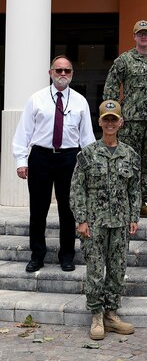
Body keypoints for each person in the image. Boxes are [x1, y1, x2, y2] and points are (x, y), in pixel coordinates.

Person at [13, 55, 96, 273]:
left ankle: (67, 255)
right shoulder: (36, 99)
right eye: (58, 70)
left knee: (68, 210)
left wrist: (89, 166)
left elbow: (86, 137)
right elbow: (24, 132)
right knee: (38, 209)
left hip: (69, 158)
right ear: (50, 73)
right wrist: (21, 160)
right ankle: (37, 255)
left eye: (67, 71)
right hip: (41, 157)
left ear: (71, 74)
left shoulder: (80, 101)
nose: (62, 74)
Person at [70, 100, 140, 340]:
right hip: (95, 223)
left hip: (120, 222)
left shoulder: (129, 154)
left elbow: (134, 189)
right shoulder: (88, 154)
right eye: (106, 119)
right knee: (95, 270)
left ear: (121, 122)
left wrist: (133, 216)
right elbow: (77, 189)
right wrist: (81, 219)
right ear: (99, 122)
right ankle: (97, 315)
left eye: (114, 119)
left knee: (118, 269)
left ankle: (111, 313)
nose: (110, 123)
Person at [103, 20, 147, 218]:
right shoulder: (124, 60)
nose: (144, 36)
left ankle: (140, 203)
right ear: (134, 36)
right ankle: (125, 203)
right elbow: (111, 87)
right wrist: (113, 116)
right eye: (140, 33)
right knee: (128, 162)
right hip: (130, 122)